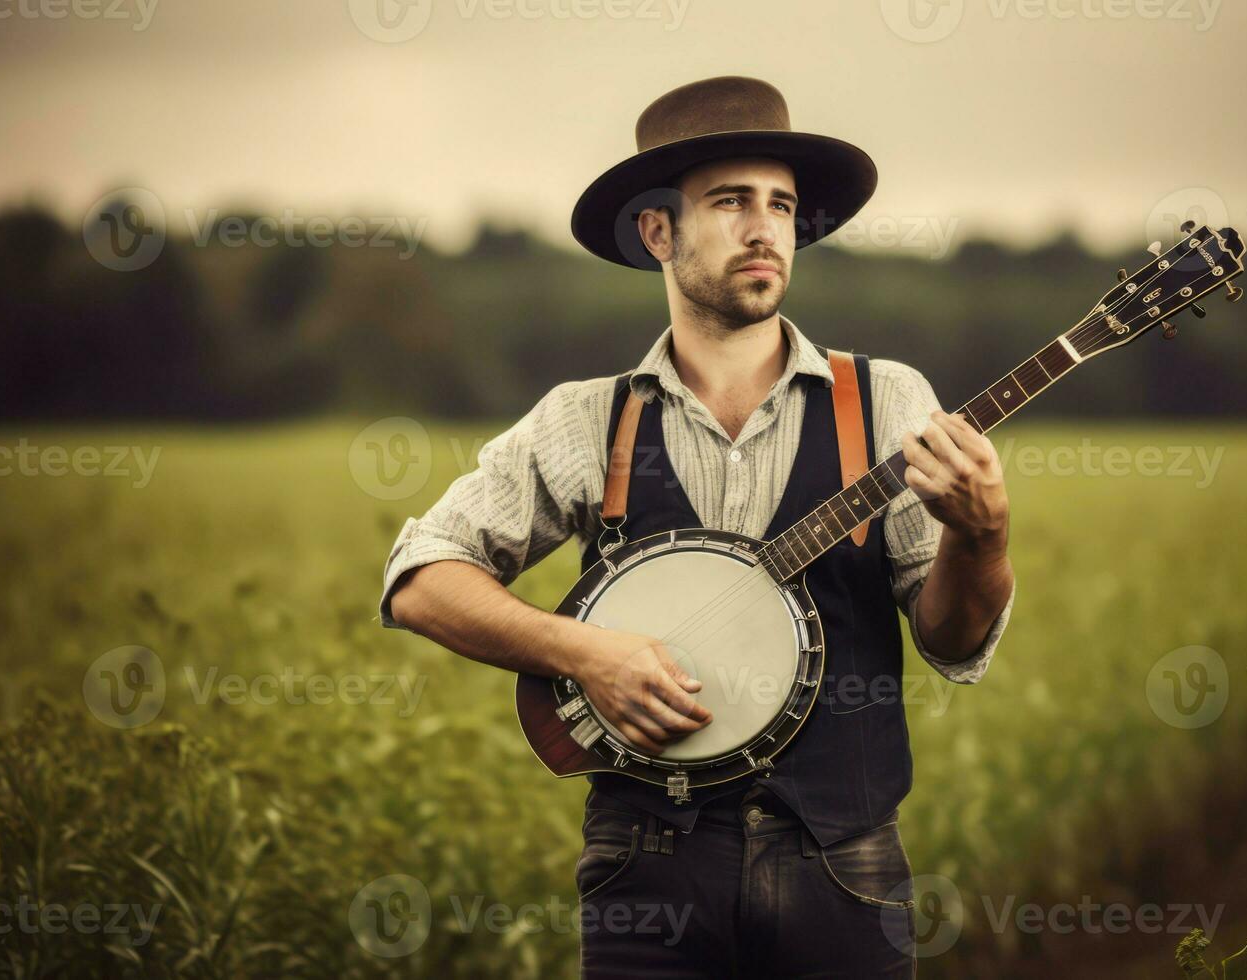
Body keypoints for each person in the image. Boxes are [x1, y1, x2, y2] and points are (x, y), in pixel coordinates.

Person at [380, 75, 1014, 978]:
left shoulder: (885, 403)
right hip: (647, 867)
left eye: (782, 205)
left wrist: (980, 537)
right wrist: (584, 654)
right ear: (657, 232)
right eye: (731, 202)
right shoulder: (587, 421)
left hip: (844, 864)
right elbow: (419, 574)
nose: (765, 229)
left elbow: (951, 641)